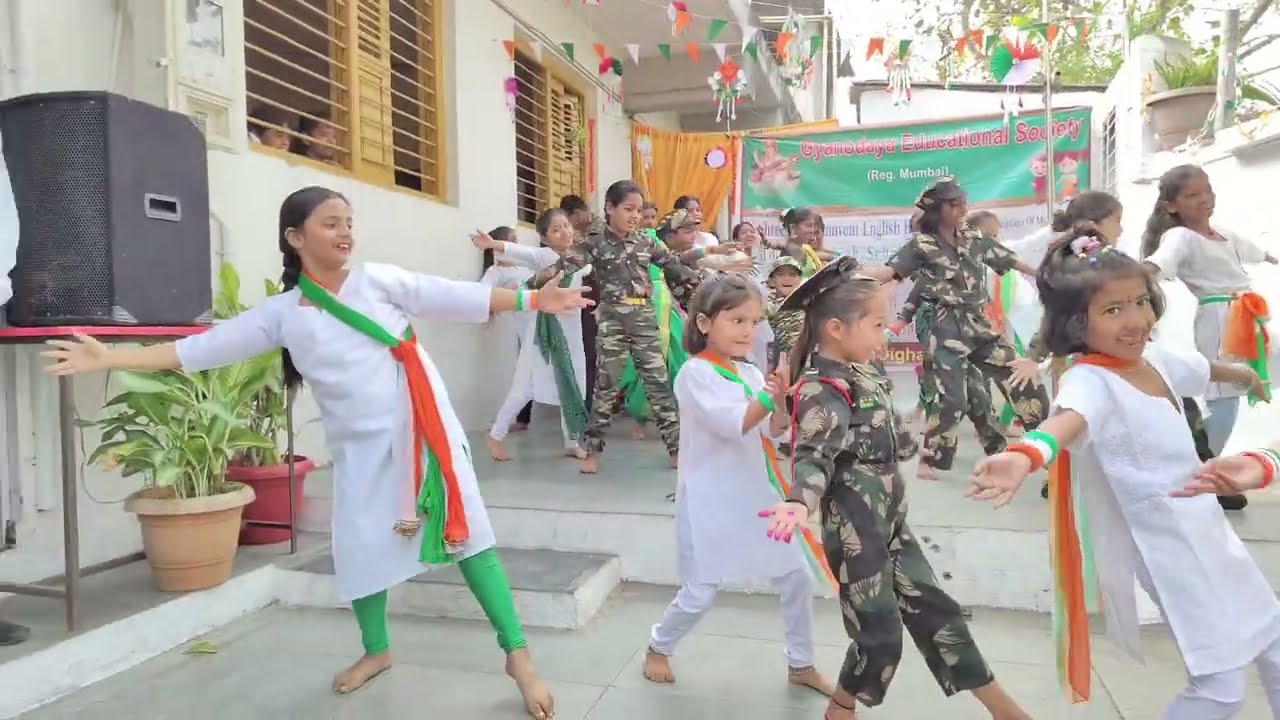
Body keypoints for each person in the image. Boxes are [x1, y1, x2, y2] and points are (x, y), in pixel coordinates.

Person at [40, 186, 593, 718]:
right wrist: (109, 360)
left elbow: (445, 295)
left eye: (348, 223)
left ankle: (518, 655)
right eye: (331, 224)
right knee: (359, 549)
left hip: (423, 433)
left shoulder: (375, 280)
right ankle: (377, 650)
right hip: (358, 448)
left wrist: (531, 298)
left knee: (468, 534)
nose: (345, 233)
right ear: (295, 237)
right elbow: (198, 350)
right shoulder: (282, 314)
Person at [967, 228, 1274, 718]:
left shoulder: (1152, 356)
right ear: (1074, 322)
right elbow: (1063, 423)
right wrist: (1024, 455)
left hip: (1212, 535)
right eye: (1112, 311)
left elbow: (1202, 368)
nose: (1135, 321)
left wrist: (1249, 374)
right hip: (1168, 554)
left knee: (1274, 644)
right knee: (1219, 688)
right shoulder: (1089, 379)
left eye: (1139, 302)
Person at [760, 258, 1031, 720]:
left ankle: (1004, 710)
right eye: (878, 324)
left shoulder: (865, 372)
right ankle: (840, 710)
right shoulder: (820, 386)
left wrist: (921, 450)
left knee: (938, 614)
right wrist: (797, 502)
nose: (885, 335)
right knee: (880, 636)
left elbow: (894, 438)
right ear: (836, 329)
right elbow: (815, 453)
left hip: (889, 518)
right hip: (855, 526)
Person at [642, 273, 832, 697]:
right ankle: (659, 646)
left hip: (756, 495)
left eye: (753, 321)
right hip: (710, 500)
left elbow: (773, 431)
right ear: (705, 323)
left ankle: (801, 663)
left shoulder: (747, 372)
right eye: (737, 321)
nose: (749, 331)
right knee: (701, 592)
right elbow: (734, 424)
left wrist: (781, 399)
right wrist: (768, 395)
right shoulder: (694, 374)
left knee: (796, 577)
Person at [862, 178, 1048, 480]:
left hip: (978, 323)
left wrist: (1042, 275)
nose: (963, 208)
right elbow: (887, 273)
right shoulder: (921, 245)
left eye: (964, 201)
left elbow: (1010, 260)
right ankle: (930, 460)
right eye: (954, 204)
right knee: (953, 399)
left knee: (1018, 373)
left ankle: (1046, 442)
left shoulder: (973, 237)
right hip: (944, 327)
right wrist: (849, 270)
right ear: (937, 210)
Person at [530, 181, 701, 474]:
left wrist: (708, 281)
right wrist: (535, 283)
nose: (635, 216)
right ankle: (593, 452)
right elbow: (563, 265)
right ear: (610, 208)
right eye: (628, 209)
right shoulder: (595, 244)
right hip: (612, 322)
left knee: (658, 384)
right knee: (606, 387)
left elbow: (674, 266)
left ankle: (676, 449)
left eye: (638, 210)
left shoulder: (647, 243)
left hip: (644, 318)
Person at [1140, 165, 1276, 456]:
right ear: (1171, 205)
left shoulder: (1224, 232)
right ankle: (1199, 466)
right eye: (1193, 195)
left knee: (1256, 373)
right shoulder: (1179, 236)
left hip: (1248, 313)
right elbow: (1159, 262)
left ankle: (1201, 466)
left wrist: (1270, 257)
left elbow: (1256, 251)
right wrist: (1126, 275)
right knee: (1225, 395)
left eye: (1208, 191)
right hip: (1218, 320)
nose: (1205, 199)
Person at [474, 210, 591, 461]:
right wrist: (495, 244)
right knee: (523, 388)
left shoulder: (581, 256)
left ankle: (572, 440)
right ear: (546, 238)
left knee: (573, 384)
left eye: (566, 226)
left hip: (572, 332)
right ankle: (495, 434)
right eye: (556, 229)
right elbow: (521, 252)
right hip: (543, 332)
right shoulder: (543, 257)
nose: (565, 232)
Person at [478, 226, 534, 432]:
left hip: (539, 323)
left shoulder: (525, 267)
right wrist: (505, 294)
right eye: (512, 240)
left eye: (516, 240)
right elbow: (482, 295)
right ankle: (518, 419)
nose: (515, 245)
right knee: (524, 375)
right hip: (520, 329)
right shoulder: (495, 272)